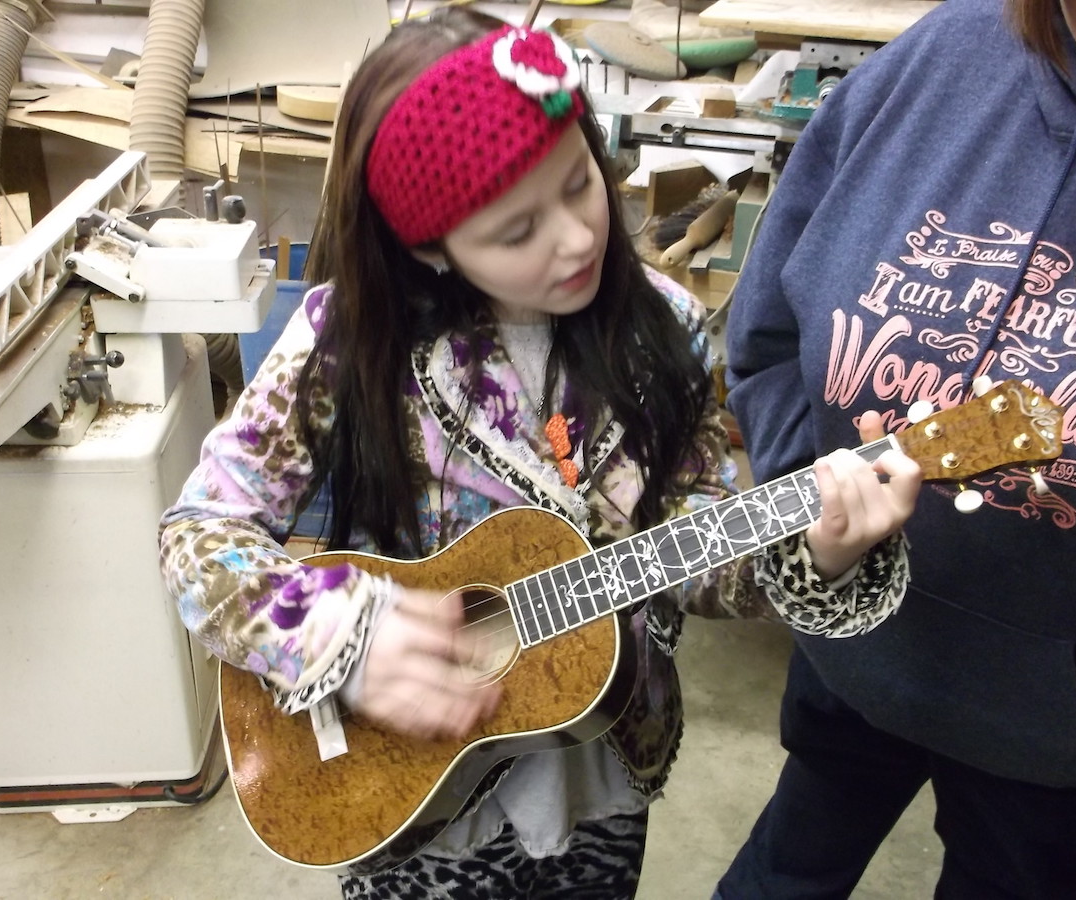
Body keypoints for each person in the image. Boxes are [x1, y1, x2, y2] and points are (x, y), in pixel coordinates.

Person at [158, 9, 921, 899]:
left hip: (600, 766)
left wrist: (817, 550)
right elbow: (197, 534)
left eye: (579, 182)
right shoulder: (346, 340)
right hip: (408, 790)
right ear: (429, 246)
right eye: (517, 231)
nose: (578, 237)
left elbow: (692, 549)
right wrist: (343, 637)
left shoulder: (665, 332)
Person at [717, 0, 1076, 897]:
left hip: (1066, 730)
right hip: (853, 642)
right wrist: (812, 526)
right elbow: (769, 327)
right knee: (784, 871)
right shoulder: (942, 57)